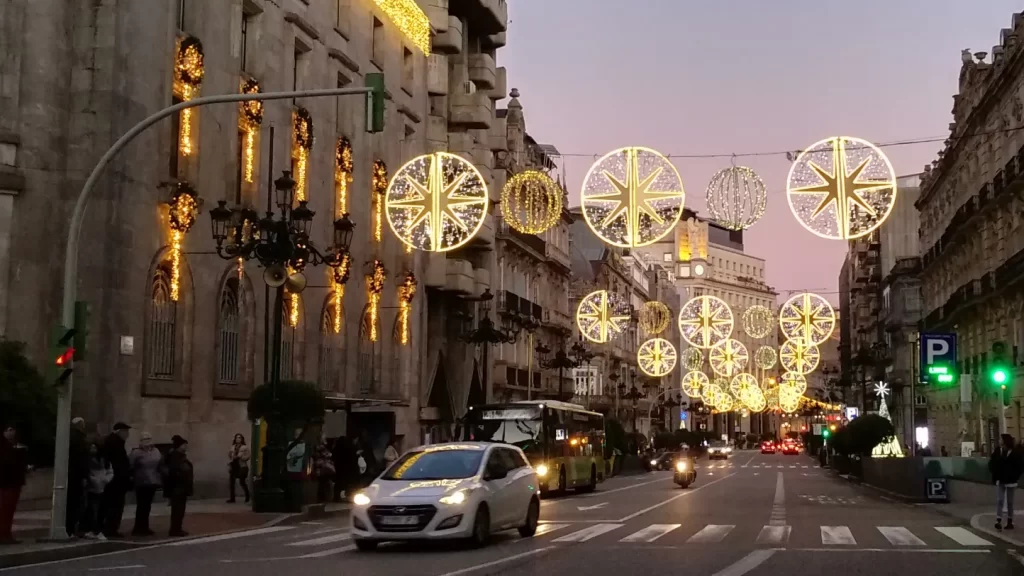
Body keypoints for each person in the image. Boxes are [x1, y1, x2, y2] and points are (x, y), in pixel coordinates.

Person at [100, 422, 131, 538]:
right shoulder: (114, 442)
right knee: (115, 506)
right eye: (126, 431)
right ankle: (111, 529)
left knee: (114, 506)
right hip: (116, 481)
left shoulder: (115, 441)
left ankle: (111, 528)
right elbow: (118, 463)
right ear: (120, 432)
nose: (127, 434)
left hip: (117, 480)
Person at [0, 424, 29, 545]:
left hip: (14, 482)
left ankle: (7, 534)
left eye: (13, 429)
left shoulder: (15, 445)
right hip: (6, 483)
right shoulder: (4, 447)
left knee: (10, 510)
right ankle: (3, 535)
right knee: (5, 510)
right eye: (9, 430)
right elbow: (7, 463)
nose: (12, 432)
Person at [129, 432, 161, 536]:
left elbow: (160, 463)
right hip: (141, 482)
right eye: (144, 439)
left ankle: (145, 527)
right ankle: (138, 528)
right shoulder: (136, 453)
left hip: (153, 481)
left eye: (148, 438)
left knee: (147, 506)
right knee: (141, 506)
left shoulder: (156, 451)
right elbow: (131, 465)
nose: (147, 441)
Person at [989, 433, 1023, 531]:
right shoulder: (998, 451)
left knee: (1010, 502)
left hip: (1011, 480)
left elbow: (1020, 466)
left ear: (1005, 441)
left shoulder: (1015, 452)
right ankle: (998, 520)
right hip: (1001, 479)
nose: (999, 441)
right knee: (1000, 500)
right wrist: (995, 474)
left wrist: (1015, 476)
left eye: (1001, 439)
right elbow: (992, 463)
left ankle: (1010, 521)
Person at [162, 435, 193, 537]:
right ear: (179, 446)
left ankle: (177, 528)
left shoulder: (180, 456)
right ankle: (175, 530)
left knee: (180, 510)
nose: (186, 446)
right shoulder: (175, 456)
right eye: (184, 445)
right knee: (177, 510)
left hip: (181, 488)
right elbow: (173, 472)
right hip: (177, 488)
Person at [82, 440, 112, 540]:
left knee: (101, 511)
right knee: (93, 511)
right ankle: (95, 530)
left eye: (95, 447)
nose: (93, 450)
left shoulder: (104, 460)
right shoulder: (88, 461)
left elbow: (110, 471)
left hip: (103, 488)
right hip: (92, 489)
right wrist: (95, 481)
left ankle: (95, 530)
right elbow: (88, 474)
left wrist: (105, 480)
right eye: (91, 448)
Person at [67, 417, 89, 538]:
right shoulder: (79, 439)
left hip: (73, 474)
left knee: (73, 503)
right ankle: (70, 529)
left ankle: (71, 528)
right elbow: (81, 459)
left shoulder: (72, 437)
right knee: (75, 503)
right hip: (76, 476)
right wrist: (84, 476)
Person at [332, 436, 357, 502]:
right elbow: (353, 459)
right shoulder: (351, 448)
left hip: (339, 469)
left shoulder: (336, 449)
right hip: (349, 470)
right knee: (349, 484)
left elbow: (334, 458)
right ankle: (349, 497)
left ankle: (336, 497)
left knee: (339, 484)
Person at [227, 433, 250, 504]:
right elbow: (230, 456)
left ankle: (247, 496)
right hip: (234, 467)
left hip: (242, 467)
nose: (238, 439)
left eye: (239, 438)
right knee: (231, 483)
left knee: (242, 482)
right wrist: (231, 457)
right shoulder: (233, 447)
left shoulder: (244, 447)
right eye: (237, 438)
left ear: (242, 439)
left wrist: (241, 457)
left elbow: (248, 456)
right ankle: (232, 498)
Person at [312, 436, 334, 503]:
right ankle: (323, 499)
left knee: (322, 484)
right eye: (324, 438)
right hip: (323, 469)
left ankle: (321, 499)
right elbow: (328, 455)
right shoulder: (320, 447)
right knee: (324, 484)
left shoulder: (317, 447)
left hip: (321, 469)